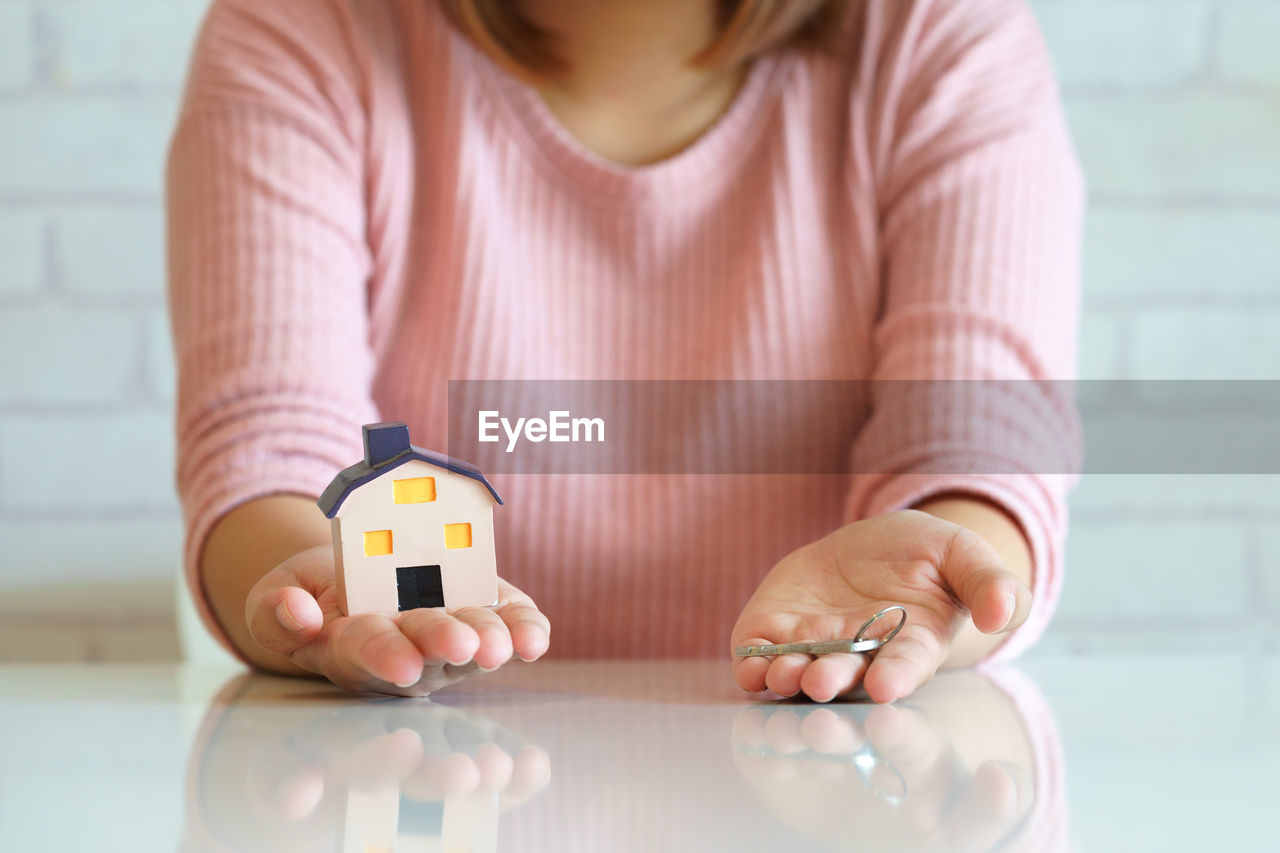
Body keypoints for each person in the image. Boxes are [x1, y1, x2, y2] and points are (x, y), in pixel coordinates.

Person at [167, 0, 1082, 703]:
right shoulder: (301, 26)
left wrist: (942, 568)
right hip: (428, 780)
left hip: (826, 785)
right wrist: (323, 591)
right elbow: (267, 449)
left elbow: (979, 439)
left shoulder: (944, 34)